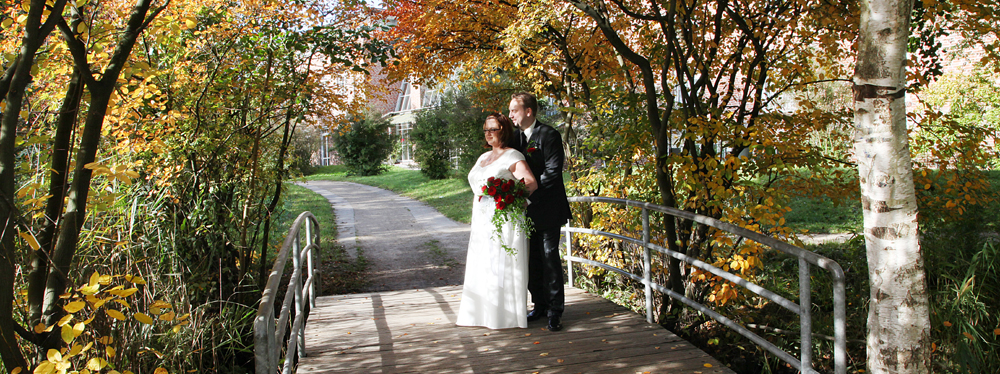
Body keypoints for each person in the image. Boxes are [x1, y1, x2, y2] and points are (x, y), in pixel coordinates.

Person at [456, 113, 538, 329]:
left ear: (504, 130)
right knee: (483, 261)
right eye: (486, 129)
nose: (488, 133)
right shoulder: (483, 157)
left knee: (500, 262)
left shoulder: (513, 156)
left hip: (504, 216)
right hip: (481, 215)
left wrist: (510, 198)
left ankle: (504, 316)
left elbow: (530, 183)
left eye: (493, 129)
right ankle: (481, 313)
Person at [508, 92, 572, 332]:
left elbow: (553, 172)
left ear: (528, 111)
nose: (511, 114)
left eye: (514, 110)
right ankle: (540, 305)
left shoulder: (549, 135)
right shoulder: (515, 138)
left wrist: (527, 195)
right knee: (532, 260)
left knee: (549, 258)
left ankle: (556, 311)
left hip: (549, 208)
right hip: (524, 212)